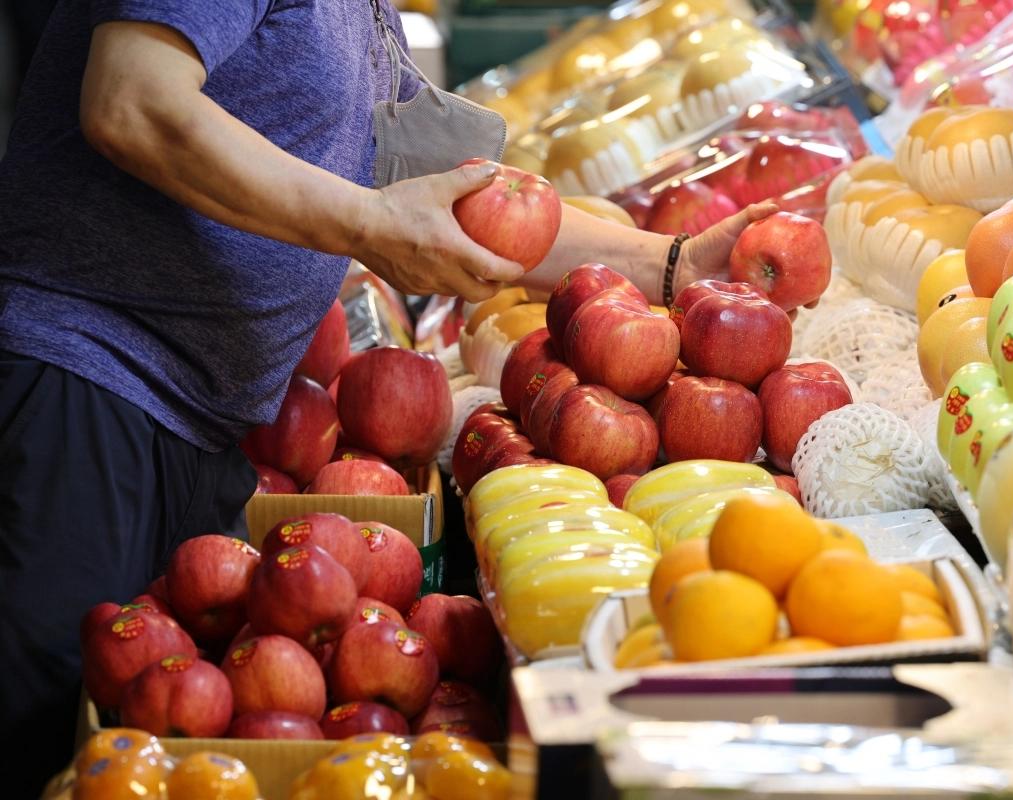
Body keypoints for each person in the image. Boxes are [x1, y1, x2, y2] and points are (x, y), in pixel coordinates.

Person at [0, 0, 774, 793]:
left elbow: (455, 212)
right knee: (40, 743)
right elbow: (131, 100)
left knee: (140, 769)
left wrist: (675, 266)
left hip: (206, 419)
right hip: (87, 384)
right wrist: (369, 224)